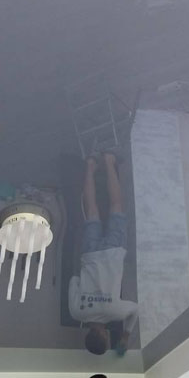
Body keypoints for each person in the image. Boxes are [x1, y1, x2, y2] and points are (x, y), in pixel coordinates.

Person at [69, 152, 138, 355]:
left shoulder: (114, 312)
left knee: (116, 206)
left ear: (103, 336)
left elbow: (135, 310)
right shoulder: (76, 313)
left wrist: (126, 335)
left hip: (113, 252)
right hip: (89, 255)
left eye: (107, 339)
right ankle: (91, 165)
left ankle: (109, 160)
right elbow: (74, 280)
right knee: (91, 208)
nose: (109, 337)